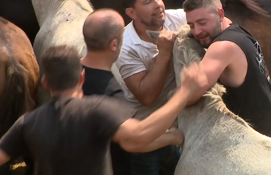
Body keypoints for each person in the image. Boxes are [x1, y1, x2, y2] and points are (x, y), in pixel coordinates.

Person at [0, 45, 207, 175]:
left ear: (45, 83)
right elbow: (140, 136)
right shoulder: (97, 109)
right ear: (82, 77)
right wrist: (184, 93)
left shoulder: (27, 122)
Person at [182, 0, 271, 140]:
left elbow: (189, 95)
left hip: (259, 145)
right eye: (191, 25)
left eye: (202, 23)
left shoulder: (222, 46)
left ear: (220, 14)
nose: (197, 31)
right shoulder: (236, 31)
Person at [117, 0, 187, 174]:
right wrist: (164, 54)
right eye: (148, 2)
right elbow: (146, 97)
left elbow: (221, 20)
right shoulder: (126, 46)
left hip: (183, 129)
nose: (158, 4)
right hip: (149, 137)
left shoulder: (178, 18)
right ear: (131, 13)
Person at [80, 8, 131, 175]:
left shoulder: (66, 72)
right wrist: (172, 136)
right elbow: (133, 140)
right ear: (114, 44)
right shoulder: (113, 94)